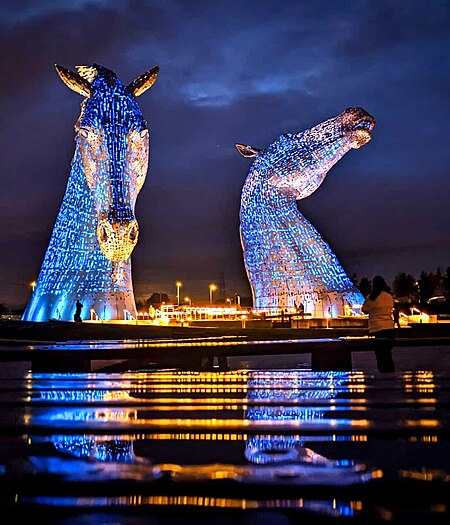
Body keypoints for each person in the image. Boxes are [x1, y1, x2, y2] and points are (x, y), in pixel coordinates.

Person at [361, 276, 395, 372]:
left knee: (380, 354)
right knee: (387, 353)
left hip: (377, 328)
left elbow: (364, 310)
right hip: (389, 327)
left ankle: (383, 374)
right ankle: (390, 372)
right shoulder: (389, 297)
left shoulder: (371, 297)